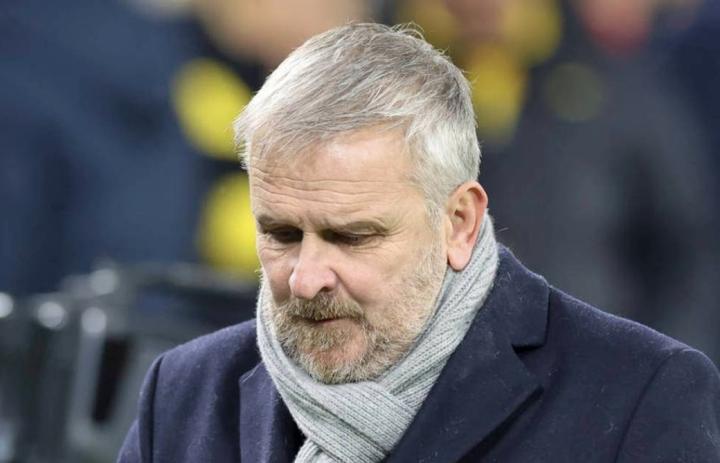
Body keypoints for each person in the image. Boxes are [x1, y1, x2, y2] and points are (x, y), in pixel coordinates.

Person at [118, 23, 720, 462]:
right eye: (280, 234)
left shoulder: (641, 396)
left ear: (459, 222)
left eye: (351, 236)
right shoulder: (183, 394)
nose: (305, 278)